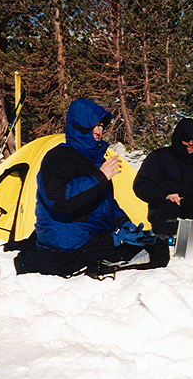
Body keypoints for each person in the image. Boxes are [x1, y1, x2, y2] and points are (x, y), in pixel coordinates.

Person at [14, 99, 169, 278]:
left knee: (155, 246)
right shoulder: (59, 157)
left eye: (101, 125)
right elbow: (58, 198)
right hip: (67, 237)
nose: (99, 130)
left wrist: (123, 224)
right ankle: (97, 263)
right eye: (94, 125)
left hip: (87, 233)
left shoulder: (93, 158)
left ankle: (104, 259)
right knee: (156, 252)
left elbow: (105, 203)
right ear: (79, 126)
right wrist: (100, 178)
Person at [133, 118, 193, 235]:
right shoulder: (160, 157)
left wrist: (190, 199)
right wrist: (165, 196)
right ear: (179, 138)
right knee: (169, 209)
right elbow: (142, 184)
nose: (190, 143)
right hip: (164, 209)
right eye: (186, 139)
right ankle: (167, 246)